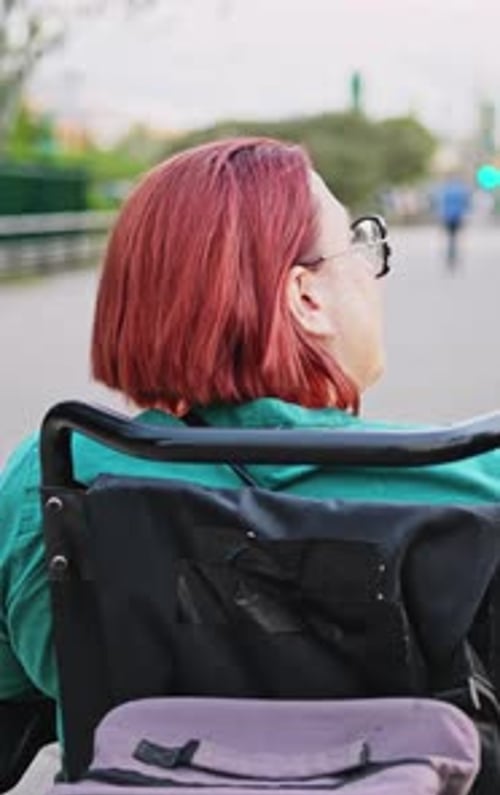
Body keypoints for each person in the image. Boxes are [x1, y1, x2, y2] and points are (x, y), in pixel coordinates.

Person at [1, 135, 500, 719]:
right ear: (305, 298)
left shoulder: (52, 478)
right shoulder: (471, 478)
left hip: (148, 781)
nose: (376, 274)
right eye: (359, 245)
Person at [433, 173, 472, 269]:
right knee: (455, 236)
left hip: (447, 216)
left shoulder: (445, 190)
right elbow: (466, 203)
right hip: (458, 216)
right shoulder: (461, 189)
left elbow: (441, 203)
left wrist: (440, 215)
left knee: (450, 236)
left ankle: (450, 254)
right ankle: (453, 253)